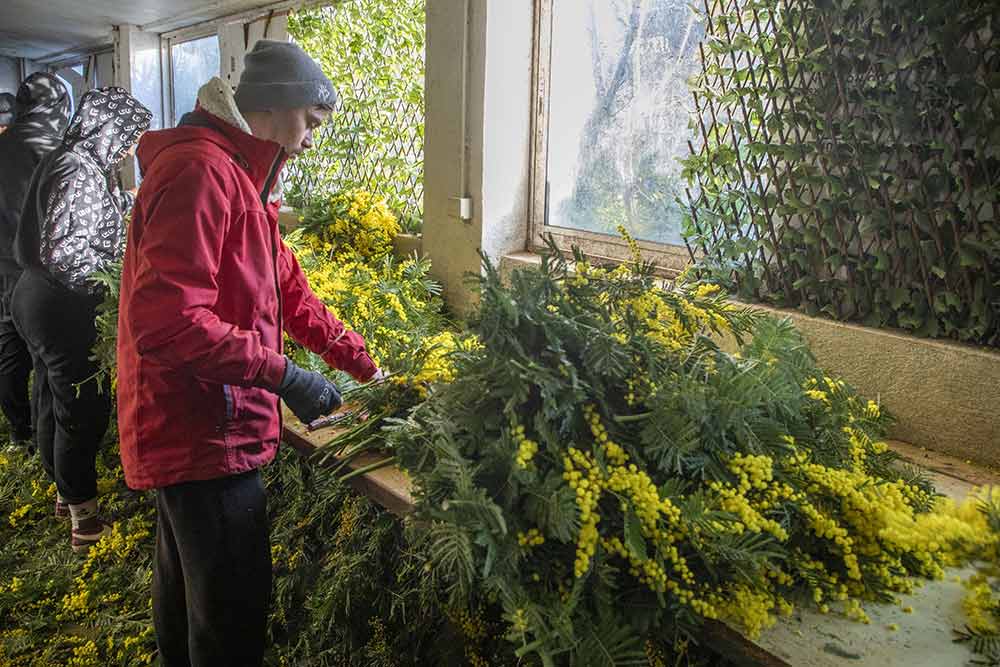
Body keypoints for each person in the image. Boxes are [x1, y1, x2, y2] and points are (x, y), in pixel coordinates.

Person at [116, 40, 381, 666]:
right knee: (228, 620)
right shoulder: (201, 174)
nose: (311, 140)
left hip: (209, 425)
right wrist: (284, 374)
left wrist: (365, 364)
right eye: (311, 123)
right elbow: (171, 323)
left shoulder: (243, 181)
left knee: (189, 598)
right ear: (278, 106)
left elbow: (290, 293)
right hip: (201, 432)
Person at [12, 86, 152, 550]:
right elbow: (66, 254)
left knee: (52, 395)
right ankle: (84, 521)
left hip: (33, 296)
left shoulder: (75, 160)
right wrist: (113, 291)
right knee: (81, 407)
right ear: (109, 127)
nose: (131, 147)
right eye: (130, 136)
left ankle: (63, 492)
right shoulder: (78, 169)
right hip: (59, 303)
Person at [0, 74, 72, 451]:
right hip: (35, 267)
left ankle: (17, 432)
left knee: (8, 345)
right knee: (45, 361)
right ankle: (49, 447)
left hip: (1, 265)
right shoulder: (48, 146)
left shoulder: (5, 140)